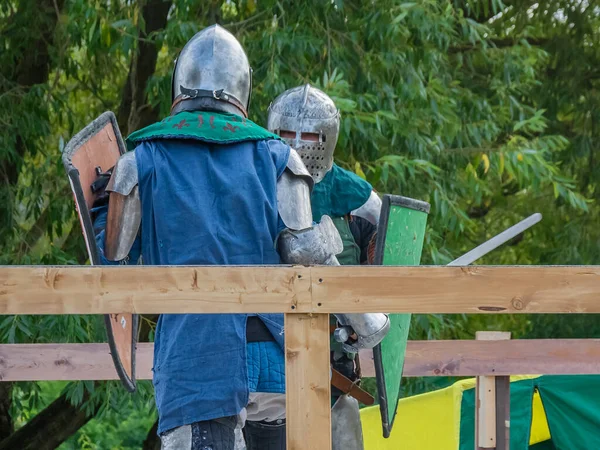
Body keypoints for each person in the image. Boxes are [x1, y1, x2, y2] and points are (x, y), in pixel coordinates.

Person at [90, 25, 344, 450]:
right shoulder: (278, 157)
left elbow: (113, 258)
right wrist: (364, 318)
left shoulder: (140, 161)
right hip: (280, 364)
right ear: (241, 90)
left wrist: (103, 206)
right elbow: (305, 254)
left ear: (179, 87)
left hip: (199, 365)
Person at [267, 84, 385, 450]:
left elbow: (379, 285)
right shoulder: (253, 187)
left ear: (328, 138)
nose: (299, 143)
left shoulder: (359, 200)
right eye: (287, 133)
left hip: (334, 370)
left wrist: (359, 325)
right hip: (264, 368)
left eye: (311, 135)